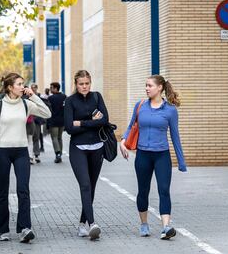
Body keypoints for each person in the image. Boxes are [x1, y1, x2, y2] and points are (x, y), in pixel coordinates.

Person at [120, 75, 187, 240]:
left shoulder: (170, 110)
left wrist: (181, 162)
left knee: (164, 190)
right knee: (143, 191)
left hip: (162, 156)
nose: (147, 88)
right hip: (142, 155)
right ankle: (144, 224)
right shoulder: (140, 106)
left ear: (160, 88)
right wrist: (123, 142)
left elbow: (175, 136)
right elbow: (131, 126)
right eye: (146, 85)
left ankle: (166, 227)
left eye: (150, 85)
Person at [0, 73, 51, 243]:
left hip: (22, 151)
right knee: (2, 191)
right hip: (2, 152)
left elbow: (47, 113)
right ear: (9, 87)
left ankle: (24, 228)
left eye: (23, 84)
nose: (23, 87)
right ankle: (2, 229)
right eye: (19, 84)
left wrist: (34, 95)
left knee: (23, 190)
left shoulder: (26, 104)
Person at [64, 70, 109, 240]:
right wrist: (93, 122)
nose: (84, 87)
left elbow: (104, 120)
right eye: (81, 84)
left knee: (92, 187)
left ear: (90, 83)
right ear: (76, 84)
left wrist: (81, 122)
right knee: (85, 185)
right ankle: (92, 224)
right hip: (78, 149)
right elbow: (69, 128)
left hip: (97, 148)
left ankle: (82, 224)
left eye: (87, 83)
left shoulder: (97, 97)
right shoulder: (70, 101)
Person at [48, 82, 66, 163]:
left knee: (54, 138)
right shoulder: (64, 97)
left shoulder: (51, 98)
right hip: (62, 121)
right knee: (59, 137)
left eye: (51, 88)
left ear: (55, 88)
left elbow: (48, 110)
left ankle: (57, 153)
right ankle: (60, 154)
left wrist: (48, 123)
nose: (50, 89)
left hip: (54, 121)